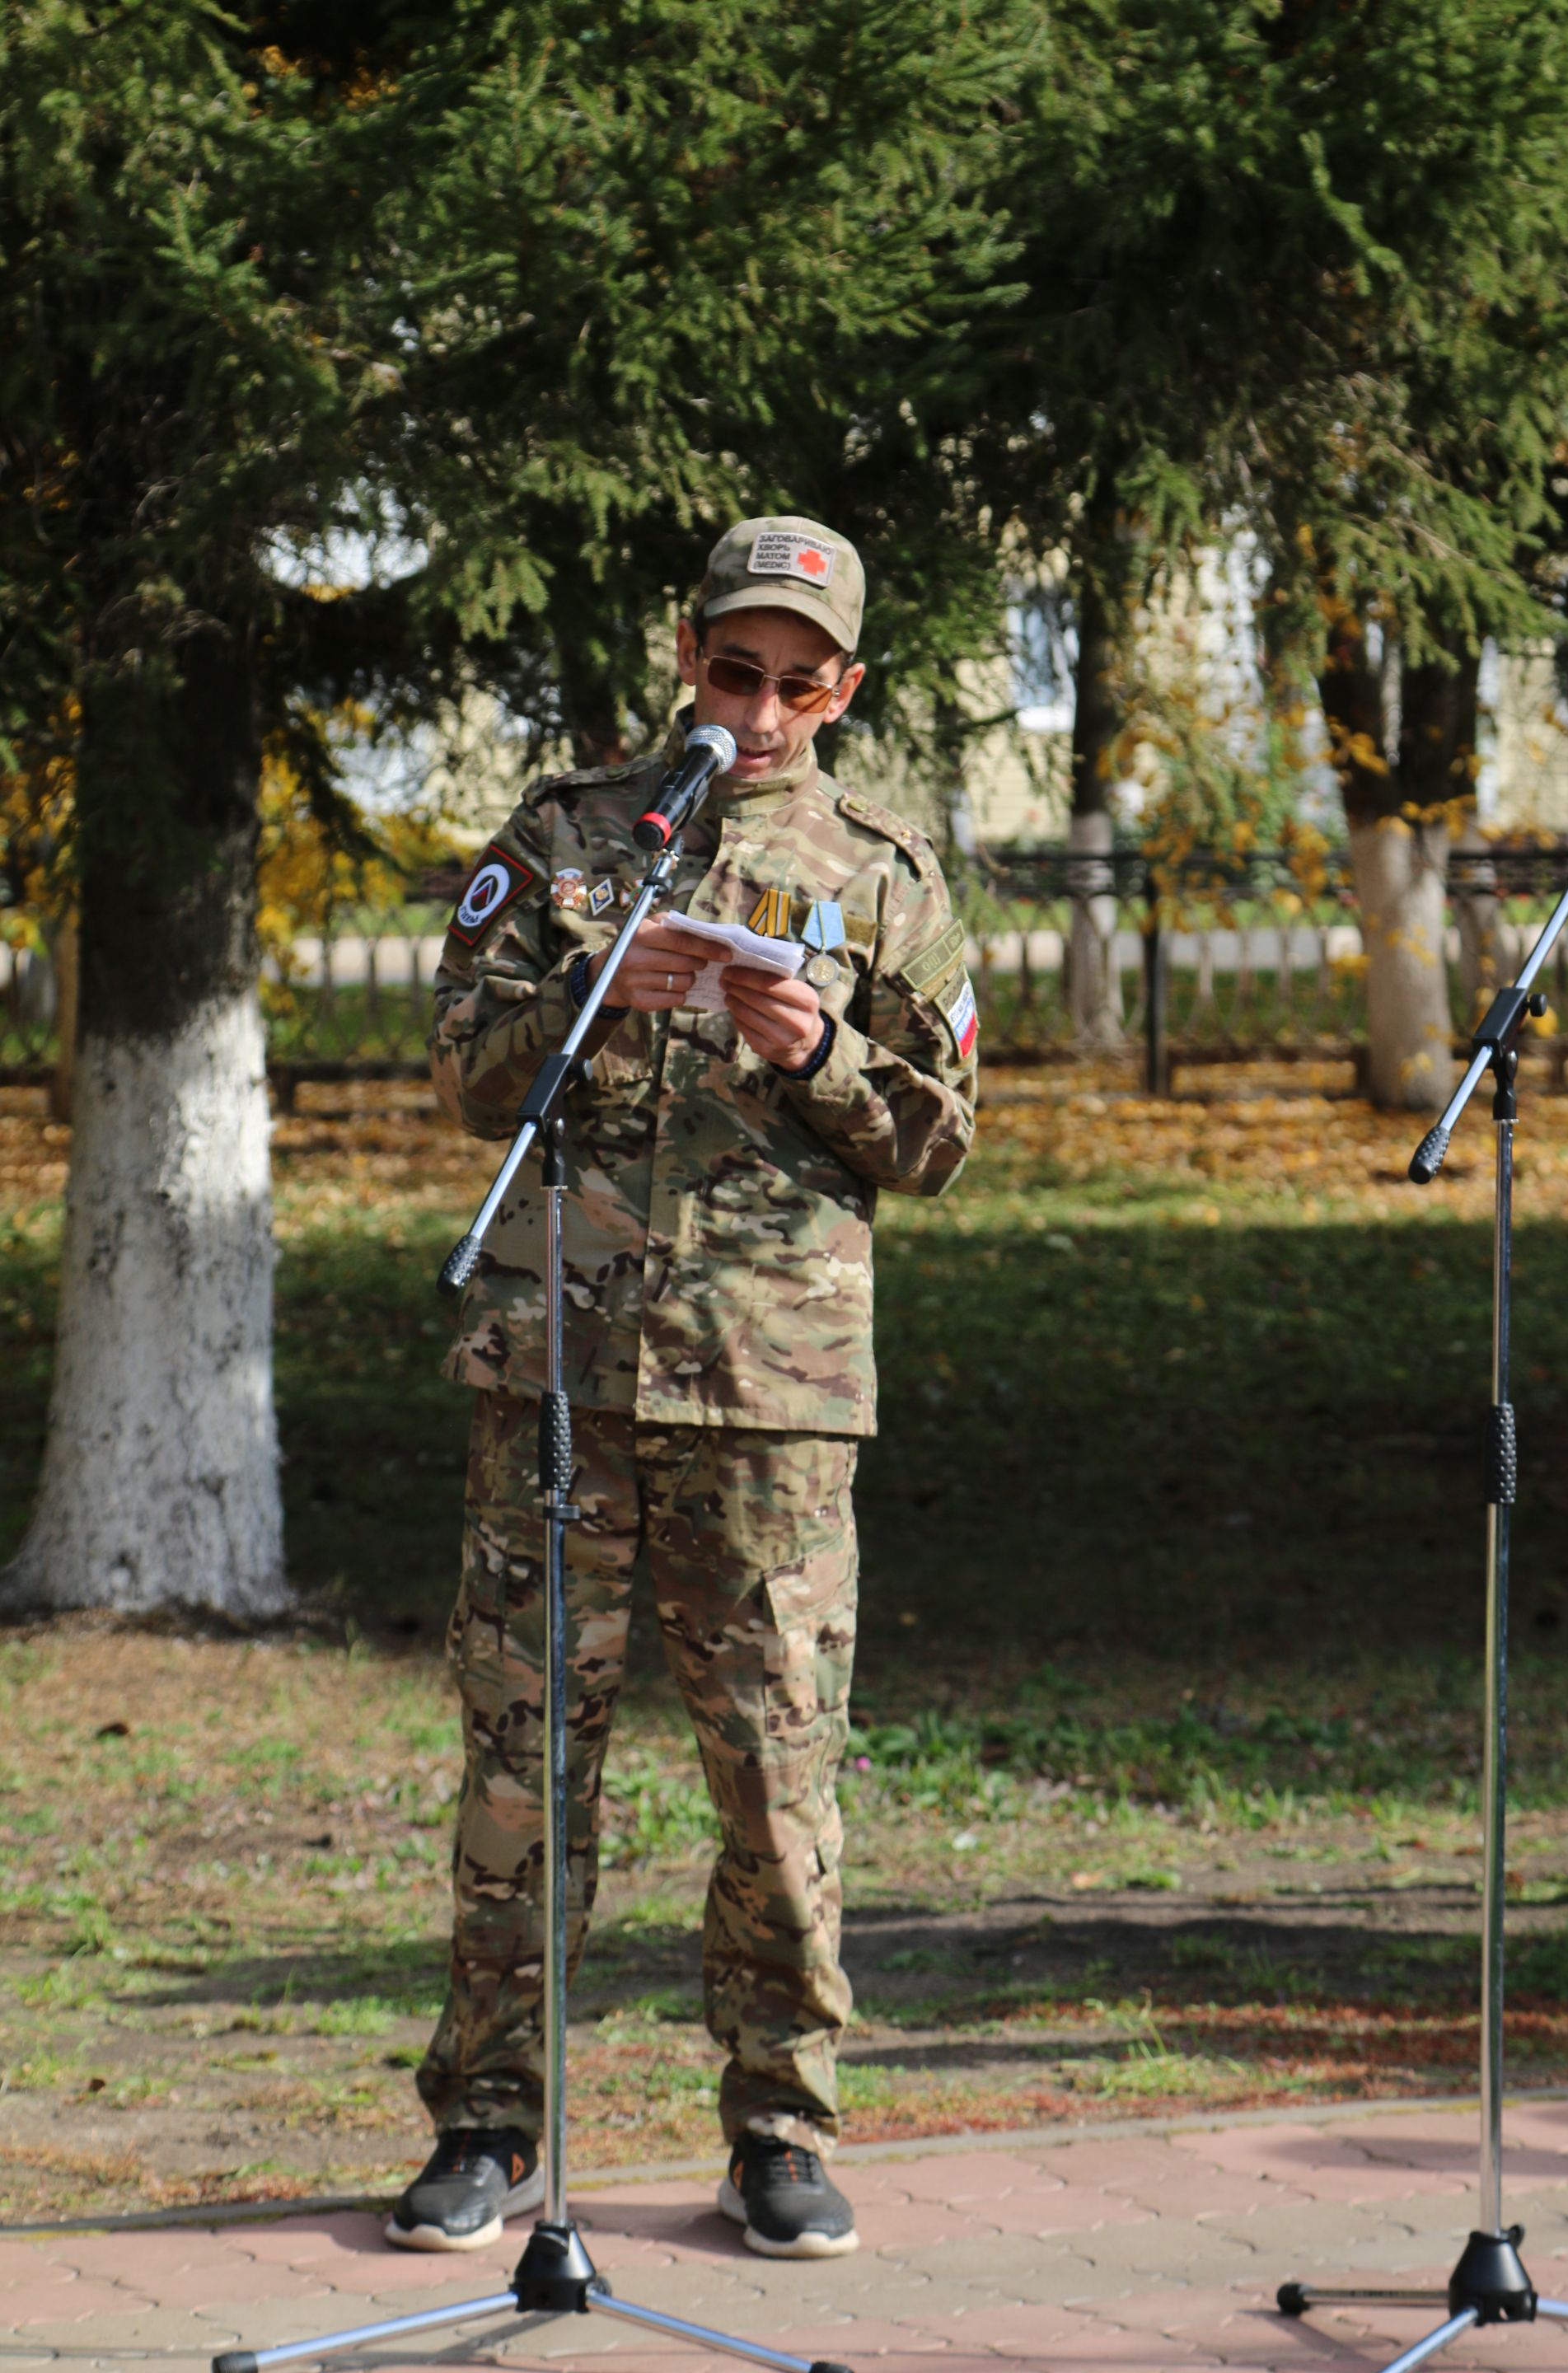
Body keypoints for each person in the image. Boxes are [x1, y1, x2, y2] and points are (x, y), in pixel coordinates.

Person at [390, 515, 977, 2262]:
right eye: (739, 671)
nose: (767, 709)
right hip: (557, 1367)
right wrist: (583, 986)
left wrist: (827, 1057)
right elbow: (456, 1069)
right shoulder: (572, 833)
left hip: (770, 1382)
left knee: (775, 1780)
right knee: (522, 1771)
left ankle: (779, 2128)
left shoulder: (888, 873)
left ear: (846, 689)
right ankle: (488, 2124)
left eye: (803, 683)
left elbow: (942, 1142)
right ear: (686, 654)